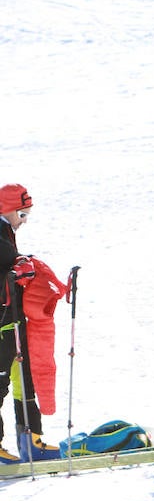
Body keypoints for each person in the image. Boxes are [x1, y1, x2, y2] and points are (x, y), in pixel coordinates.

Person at [0, 185, 61, 462]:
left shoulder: (6, 233)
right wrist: (18, 267)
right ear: (7, 210)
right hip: (3, 324)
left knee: (25, 381)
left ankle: (31, 442)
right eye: (22, 214)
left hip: (13, 322)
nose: (24, 221)